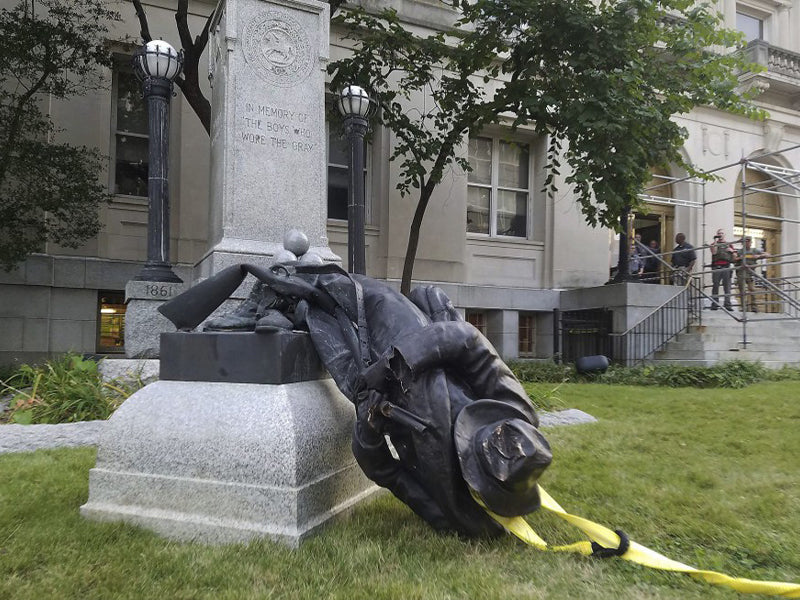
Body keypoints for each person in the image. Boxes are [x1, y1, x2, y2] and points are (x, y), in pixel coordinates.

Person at [158, 261, 552, 537]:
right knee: (337, 287)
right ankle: (272, 295)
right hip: (412, 341)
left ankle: (283, 304)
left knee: (316, 313)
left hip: (368, 388)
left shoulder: (451, 502)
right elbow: (467, 340)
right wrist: (397, 362)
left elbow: (387, 474)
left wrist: (367, 431)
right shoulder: (515, 412)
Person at [736, 237, 769, 312]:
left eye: (748, 241)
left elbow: (767, 254)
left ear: (751, 242)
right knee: (742, 291)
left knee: (752, 289)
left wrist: (759, 256)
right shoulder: (740, 251)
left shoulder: (754, 250)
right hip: (741, 273)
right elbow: (734, 259)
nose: (747, 243)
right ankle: (744, 307)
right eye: (745, 242)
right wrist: (740, 258)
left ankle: (754, 307)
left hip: (750, 273)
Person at [709, 228, 737, 311]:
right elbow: (714, 252)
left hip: (726, 267)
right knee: (715, 286)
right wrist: (715, 241)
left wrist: (731, 251)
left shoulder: (729, 245)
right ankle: (715, 304)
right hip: (716, 267)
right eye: (719, 233)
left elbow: (735, 257)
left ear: (724, 235)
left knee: (727, 287)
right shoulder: (713, 244)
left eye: (722, 233)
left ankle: (727, 304)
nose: (720, 234)